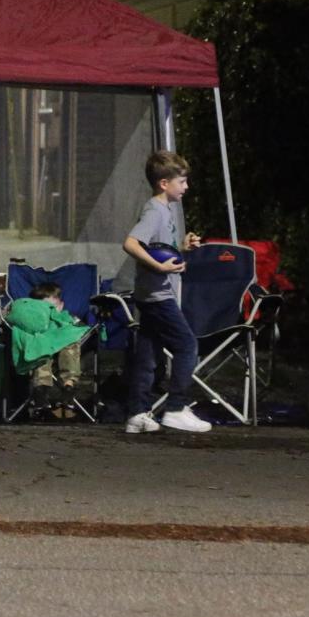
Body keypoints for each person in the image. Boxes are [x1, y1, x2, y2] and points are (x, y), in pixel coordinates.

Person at [121, 150, 210, 434]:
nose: (186, 187)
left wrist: (181, 248)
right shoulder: (155, 211)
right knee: (187, 346)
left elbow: (156, 248)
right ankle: (175, 408)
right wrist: (159, 268)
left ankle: (137, 413)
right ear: (164, 183)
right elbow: (132, 244)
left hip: (151, 295)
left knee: (147, 355)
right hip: (158, 296)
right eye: (182, 182)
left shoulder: (165, 210)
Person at [5, 282, 89, 419]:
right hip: (43, 347)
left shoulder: (68, 318)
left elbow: (78, 329)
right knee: (40, 350)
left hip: (64, 347)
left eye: (52, 308)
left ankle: (69, 386)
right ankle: (41, 391)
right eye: (43, 308)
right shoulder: (33, 323)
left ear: (61, 306)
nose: (49, 312)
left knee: (70, 341)